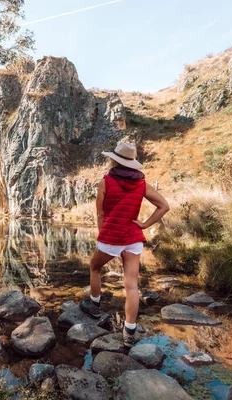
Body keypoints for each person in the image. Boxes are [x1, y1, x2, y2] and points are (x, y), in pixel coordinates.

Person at [80, 142, 170, 347]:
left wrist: (103, 235)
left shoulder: (106, 182)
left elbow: (100, 213)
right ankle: (129, 333)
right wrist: (145, 224)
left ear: (114, 160)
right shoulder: (142, 184)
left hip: (112, 236)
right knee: (131, 286)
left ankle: (94, 305)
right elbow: (164, 206)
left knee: (95, 267)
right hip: (133, 238)